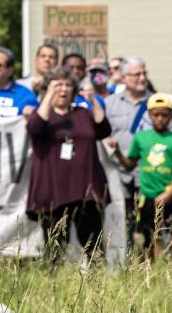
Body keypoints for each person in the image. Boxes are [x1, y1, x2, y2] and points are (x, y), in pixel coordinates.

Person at [26, 66, 110, 263]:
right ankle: (54, 287)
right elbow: (35, 128)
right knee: (55, 247)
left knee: (94, 246)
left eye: (67, 85)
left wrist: (93, 101)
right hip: (53, 190)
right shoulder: (42, 114)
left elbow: (104, 129)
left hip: (86, 190)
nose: (63, 89)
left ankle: (99, 287)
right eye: (58, 85)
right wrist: (48, 95)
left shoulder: (83, 113)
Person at [104, 56, 172, 241]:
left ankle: (152, 262)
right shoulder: (110, 103)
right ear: (124, 77)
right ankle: (125, 260)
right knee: (121, 219)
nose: (142, 78)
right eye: (136, 74)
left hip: (149, 172)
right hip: (118, 171)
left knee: (151, 223)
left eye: (144, 73)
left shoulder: (157, 103)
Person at [110, 93, 172, 261]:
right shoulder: (141, 138)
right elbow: (130, 164)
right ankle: (152, 272)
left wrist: (169, 193)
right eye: (156, 114)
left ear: (171, 116)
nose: (160, 119)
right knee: (150, 236)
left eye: (164, 115)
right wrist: (117, 151)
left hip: (170, 196)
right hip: (148, 197)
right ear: (149, 115)